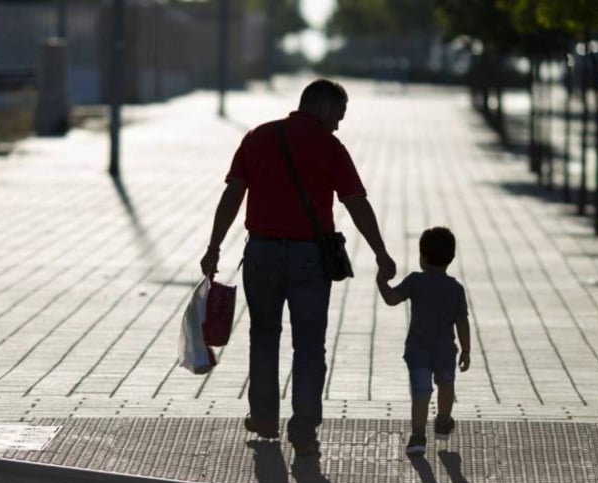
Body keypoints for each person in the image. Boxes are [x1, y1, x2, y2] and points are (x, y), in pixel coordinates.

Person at [200, 79, 396, 457]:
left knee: (264, 335)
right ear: (322, 108)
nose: (338, 124)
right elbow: (356, 202)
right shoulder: (330, 147)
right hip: (310, 258)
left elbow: (233, 194)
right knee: (309, 344)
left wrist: (214, 246)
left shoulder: (258, 137)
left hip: (262, 254)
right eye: (338, 115)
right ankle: (303, 428)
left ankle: (264, 417)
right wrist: (381, 253)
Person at [376, 226, 470, 456]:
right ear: (451, 258)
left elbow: (391, 299)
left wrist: (381, 280)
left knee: (421, 391)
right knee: (446, 384)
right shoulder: (455, 289)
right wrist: (466, 350)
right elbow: (462, 322)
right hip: (445, 350)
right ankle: (443, 421)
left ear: (423, 258)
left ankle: (418, 436)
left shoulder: (415, 281)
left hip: (418, 349)